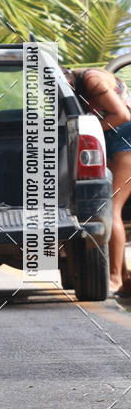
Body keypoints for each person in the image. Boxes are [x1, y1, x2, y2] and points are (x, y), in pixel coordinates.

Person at [66, 67, 131, 295]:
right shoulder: (77, 88)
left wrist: (84, 130)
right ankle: (123, 277)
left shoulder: (92, 80)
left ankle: (114, 278)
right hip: (111, 140)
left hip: (127, 139)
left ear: (69, 79)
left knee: (110, 207)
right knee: (112, 209)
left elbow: (123, 115)